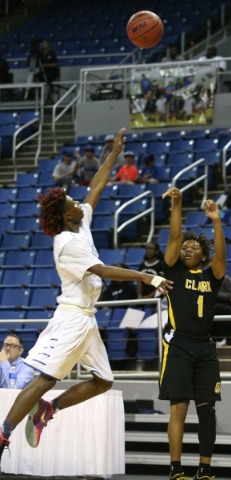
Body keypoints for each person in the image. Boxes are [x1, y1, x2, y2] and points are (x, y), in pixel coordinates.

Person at [0, 128, 173, 470]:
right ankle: (4, 433)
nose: (80, 203)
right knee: (46, 379)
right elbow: (103, 270)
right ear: (67, 216)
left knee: (103, 381)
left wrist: (114, 153)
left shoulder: (80, 224)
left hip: (87, 317)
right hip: (71, 317)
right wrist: (146, 275)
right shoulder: (67, 243)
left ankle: (51, 409)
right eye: (73, 203)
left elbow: (96, 186)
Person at [158, 187, 226, 480]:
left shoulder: (213, 275)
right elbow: (174, 237)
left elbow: (221, 254)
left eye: (193, 248)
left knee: (207, 412)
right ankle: (175, 469)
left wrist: (216, 221)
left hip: (206, 349)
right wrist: (178, 203)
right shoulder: (174, 272)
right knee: (179, 410)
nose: (186, 249)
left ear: (203, 255)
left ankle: (205, 468)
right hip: (180, 346)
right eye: (185, 247)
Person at [210, 275, 231, 347]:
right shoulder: (204, 279)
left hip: (225, 305)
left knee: (218, 309)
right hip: (209, 305)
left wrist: (217, 295)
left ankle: (220, 338)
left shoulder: (226, 280)